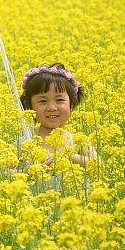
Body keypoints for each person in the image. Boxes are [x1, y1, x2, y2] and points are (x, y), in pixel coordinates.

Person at [12, 63, 98, 192]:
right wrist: (25, 173)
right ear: (28, 106)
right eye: (42, 101)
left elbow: (99, 167)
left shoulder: (79, 141)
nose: (52, 107)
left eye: (59, 100)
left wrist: (69, 156)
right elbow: (0, 173)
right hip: (31, 210)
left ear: (72, 104)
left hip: (73, 210)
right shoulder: (24, 144)